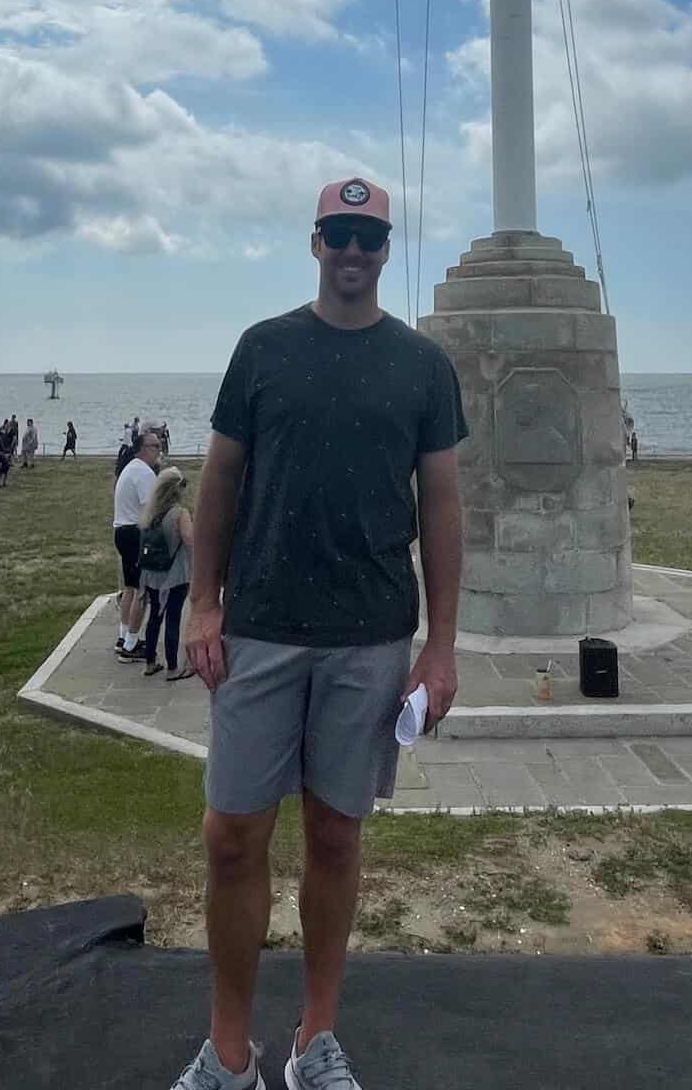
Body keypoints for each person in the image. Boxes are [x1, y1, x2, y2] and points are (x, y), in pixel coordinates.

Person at [172, 176, 466, 1090]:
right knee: (232, 836)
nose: (352, 251)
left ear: (387, 250)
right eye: (338, 233)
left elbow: (444, 503)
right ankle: (229, 1054)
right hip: (258, 629)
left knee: (337, 839)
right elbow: (219, 481)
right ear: (314, 243)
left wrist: (442, 644)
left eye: (368, 238)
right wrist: (204, 602)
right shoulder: (263, 349)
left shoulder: (423, 366)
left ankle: (314, 1043)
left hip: (370, 637)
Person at [138, 465, 196, 679]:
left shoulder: (150, 513)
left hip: (152, 574)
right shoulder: (179, 513)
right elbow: (190, 541)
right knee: (173, 618)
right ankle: (173, 667)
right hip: (175, 575)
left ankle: (150, 662)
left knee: (154, 617)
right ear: (176, 490)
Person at [113, 426, 162, 660]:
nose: (159, 451)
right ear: (144, 449)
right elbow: (151, 508)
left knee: (130, 588)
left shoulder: (130, 468)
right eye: (156, 447)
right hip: (135, 533)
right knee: (141, 591)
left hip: (122, 531)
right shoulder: (144, 473)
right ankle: (131, 646)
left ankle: (124, 636)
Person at [0, 423, 14, 487]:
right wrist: (5, 455)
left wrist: (6, 453)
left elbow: (2, 449)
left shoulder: (1, 439)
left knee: (5, 468)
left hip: (0, 457)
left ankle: (1, 483)